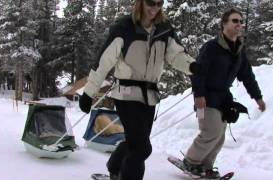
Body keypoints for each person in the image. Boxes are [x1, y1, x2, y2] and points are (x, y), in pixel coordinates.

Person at [76, 0, 199, 179]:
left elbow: (176, 55)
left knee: (135, 143)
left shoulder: (164, 29)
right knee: (142, 148)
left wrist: (193, 66)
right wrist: (88, 93)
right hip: (125, 94)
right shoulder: (124, 27)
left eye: (159, 3)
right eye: (150, 3)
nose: (154, 8)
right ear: (140, 3)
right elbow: (104, 62)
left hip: (149, 96)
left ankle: (114, 165)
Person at [182, 8, 267, 179]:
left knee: (220, 135)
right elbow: (198, 72)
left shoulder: (239, 51)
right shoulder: (211, 47)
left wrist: (258, 97)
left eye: (241, 21)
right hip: (205, 96)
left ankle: (206, 167)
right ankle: (191, 161)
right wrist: (198, 95)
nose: (239, 24)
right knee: (211, 130)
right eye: (235, 21)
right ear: (224, 24)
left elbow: (247, 76)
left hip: (223, 98)